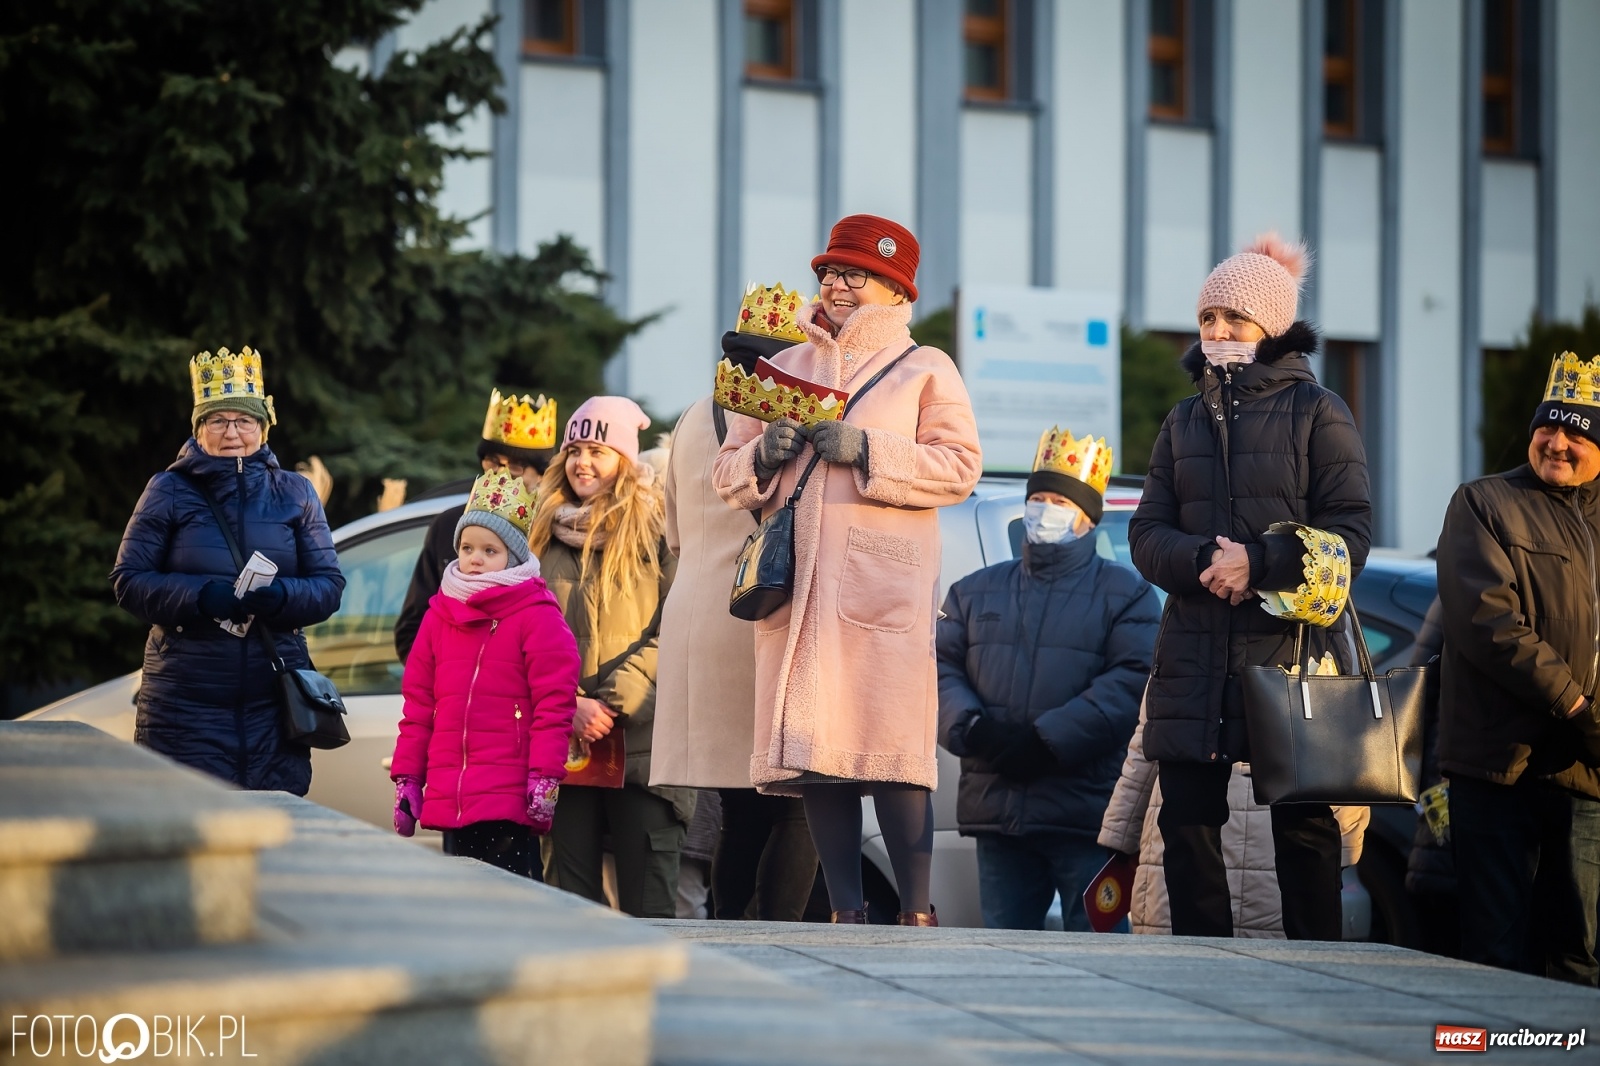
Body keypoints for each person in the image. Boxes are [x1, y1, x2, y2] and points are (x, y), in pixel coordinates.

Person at [713, 215, 983, 926]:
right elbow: (727, 471)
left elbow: (960, 467)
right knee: (819, 757)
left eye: (851, 273)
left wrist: (869, 449)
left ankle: (917, 912)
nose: (834, 283)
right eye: (828, 272)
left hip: (880, 589)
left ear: (892, 287)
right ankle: (845, 912)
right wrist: (761, 456)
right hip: (800, 592)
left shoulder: (928, 368)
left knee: (894, 757)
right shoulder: (785, 366)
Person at [1127, 233, 1372, 941]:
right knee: (1188, 828)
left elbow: (1350, 532)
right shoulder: (1183, 420)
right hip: (1194, 659)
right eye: (1208, 319)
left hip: (1290, 653)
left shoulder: (1318, 411)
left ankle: (1319, 976)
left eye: (1234, 319)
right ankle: (1205, 975)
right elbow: (1148, 534)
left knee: (1303, 832)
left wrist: (1259, 564)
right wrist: (1208, 558)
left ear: (1272, 327)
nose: (1218, 333)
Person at [938, 429, 1158, 930]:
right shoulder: (975, 593)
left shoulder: (1125, 594)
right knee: (1002, 955)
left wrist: (1047, 741)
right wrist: (974, 730)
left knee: (1095, 956)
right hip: (997, 810)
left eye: (1058, 501)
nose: (1043, 510)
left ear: (1086, 516)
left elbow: (1132, 680)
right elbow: (939, 669)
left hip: (1084, 814)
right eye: (1036, 499)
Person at [651, 283, 820, 922]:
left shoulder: (693, 416)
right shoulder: (791, 411)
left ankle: (725, 929)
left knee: (741, 805)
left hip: (697, 616)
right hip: (762, 613)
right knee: (799, 797)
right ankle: (781, 938)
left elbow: (671, 532)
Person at [1436, 349, 1600, 986]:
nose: (1555, 442)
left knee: (1578, 960)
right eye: (1546, 427)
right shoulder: (1483, 503)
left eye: (1575, 431)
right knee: (1494, 959)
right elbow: (1489, 622)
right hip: (1497, 768)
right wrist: (1579, 708)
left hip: (1586, 776)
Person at [111, 346, 345, 794]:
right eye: (218, 421)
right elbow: (128, 580)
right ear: (199, 429)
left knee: (271, 840)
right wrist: (200, 597)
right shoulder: (169, 489)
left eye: (244, 421)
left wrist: (282, 598)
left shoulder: (295, 492)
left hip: (273, 706)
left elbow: (328, 585)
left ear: (263, 426)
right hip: (184, 707)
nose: (232, 432)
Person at [531, 396, 692, 918]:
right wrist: (568, 704)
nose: (582, 462)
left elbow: (681, 624)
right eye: (574, 449)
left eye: (597, 449)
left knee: (651, 910)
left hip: (645, 752)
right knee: (569, 913)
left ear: (624, 458)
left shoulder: (659, 531)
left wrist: (615, 702)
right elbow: (519, 632)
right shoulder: (537, 537)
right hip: (564, 750)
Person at [389, 470, 580, 877]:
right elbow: (419, 707)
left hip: (508, 797)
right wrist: (407, 777)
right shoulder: (439, 615)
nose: (474, 558)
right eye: (467, 547)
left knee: (511, 903)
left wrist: (544, 776)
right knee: (463, 906)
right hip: (451, 795)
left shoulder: (536, 616)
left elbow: (554, 706)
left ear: (512, 556)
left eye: (489, 550)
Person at [1098, 694, 1370, 936]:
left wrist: (1121, 837)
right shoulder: (1316, 637)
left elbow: (1148, 740)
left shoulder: (1185, 640)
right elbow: (1345, 740)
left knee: (1191, 972)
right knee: (1281, 976)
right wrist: (1346, 848)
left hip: (1188, 835)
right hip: (1277, 836)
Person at [394, 391, 557, 663]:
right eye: (493, 460)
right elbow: (411, 634)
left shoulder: (556, 531)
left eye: (517, 465)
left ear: (540, 474)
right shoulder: (448, 527)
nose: (501, 473)